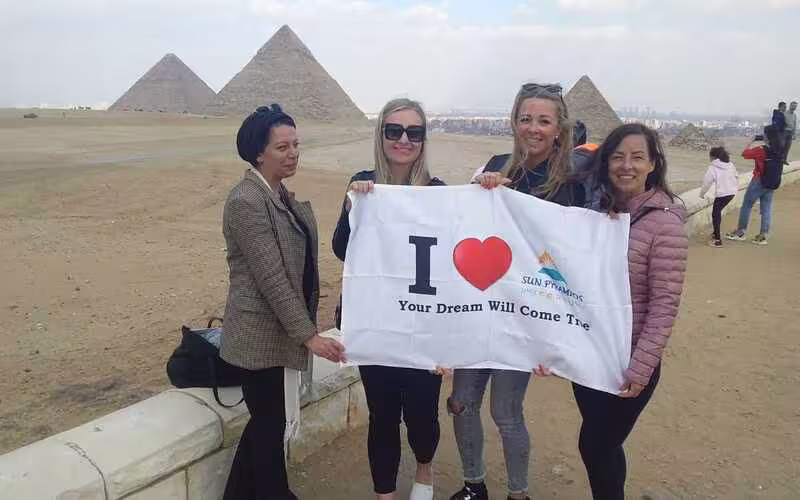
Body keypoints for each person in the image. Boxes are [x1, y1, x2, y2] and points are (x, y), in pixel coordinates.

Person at [448, 83, 584, 500]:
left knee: (505, 412)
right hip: (482, 306)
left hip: (527, 317)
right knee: (460, 403)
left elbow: (575, 261)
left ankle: (518, 493)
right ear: (514, 122)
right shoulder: (496, 166)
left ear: (559, 128)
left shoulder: (572, 184)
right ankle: (474, 485)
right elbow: (465, 230)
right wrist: (482, 190)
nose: (533, 128)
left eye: (543, 121)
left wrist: (554, 340)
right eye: (525, 119)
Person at [548, 123, 688, 500]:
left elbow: (664, 305)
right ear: (606, 162)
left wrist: (640, 367)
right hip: (592, 355)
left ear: (653, 164)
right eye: (618, 157)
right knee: (604, 447)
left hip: (629, 361)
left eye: (637, 157)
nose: (627, 166)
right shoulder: (598, 215)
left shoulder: (664, 224)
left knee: (595, 444)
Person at [220, 104, 346, 500]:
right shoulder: (246, 201)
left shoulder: (280, 195)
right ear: (259, 152)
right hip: (258, 337)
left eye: (296, 145)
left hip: (280, 333)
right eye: (282, 147)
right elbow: (271, 277)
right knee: (269, 424)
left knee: (266, 424)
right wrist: (309, 336)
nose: (293, 153)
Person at [332, 98, 446, 500]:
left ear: (423, 139)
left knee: (420, 413)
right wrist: (353, 207)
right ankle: (385, 494)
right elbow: (341, 249)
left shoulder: (439, 193)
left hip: (421, 324)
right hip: (376, 319)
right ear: (381, 134)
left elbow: (451, 261)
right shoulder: (362, 183)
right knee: (382, 414)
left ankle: (425, 470)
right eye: (393, 130)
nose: (403, 139)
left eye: (414, 132)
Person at [725, 125, 782, 245]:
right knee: (766, 209)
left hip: (758, 181)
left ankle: (740, 232)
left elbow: (744, 153)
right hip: (771, 183)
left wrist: (752, 140)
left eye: (764, 134)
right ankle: (763, 235)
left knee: (747, 205)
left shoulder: (761, 150)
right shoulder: (779, 149)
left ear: (767, 136)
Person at [699, 146, 739, 247]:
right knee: (717, 212)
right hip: (732, 192)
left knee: (715, 214)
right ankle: (715, 233)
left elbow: (707, 183)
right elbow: (736, 176)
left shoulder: (712, 168)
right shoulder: (730, 164)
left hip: (722, 194)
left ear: (713, 157)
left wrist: (702, 194)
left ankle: (717, 240)